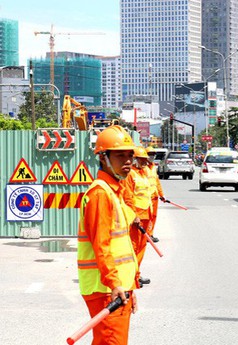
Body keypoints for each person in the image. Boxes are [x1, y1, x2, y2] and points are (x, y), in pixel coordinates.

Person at [76, 125, 139, 344]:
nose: (128, 161)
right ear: (104, 158)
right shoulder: (101, 194)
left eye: (130, 155)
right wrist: (115, 284)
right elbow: (101, 246)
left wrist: (129, 287)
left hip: (115, 287)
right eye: (120, 155)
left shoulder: (115, 191)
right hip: (105, 289)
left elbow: (121, 246)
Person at [121, 146, 153, 286]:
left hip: (146, 214)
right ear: (135, 160)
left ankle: (136, 274)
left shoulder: (142, 173)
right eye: (142, 160)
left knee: (141, 247)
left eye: (146, 160)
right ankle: (132, 276)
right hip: (136, 216)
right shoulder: (130, 175)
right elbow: (128, 197)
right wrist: (133, 215)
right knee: (133, 248)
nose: (145, 162)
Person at [146, 146, 166, 243]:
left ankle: (150, 234)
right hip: (145, 197)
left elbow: (157, 181)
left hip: (154, 196)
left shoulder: (153, 167)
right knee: (147, 217)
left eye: (153, 155)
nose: (152, 156)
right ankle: (146, 234)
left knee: (153, 216)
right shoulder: (142, 167)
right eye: (150, 154)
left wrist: (161, 194)